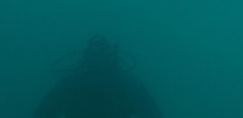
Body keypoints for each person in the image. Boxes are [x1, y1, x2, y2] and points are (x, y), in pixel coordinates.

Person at [34, 36, 163, 118]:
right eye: (95, 57)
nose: (98, 63)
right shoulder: (127, 85)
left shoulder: (70, 84)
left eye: (101, 57)